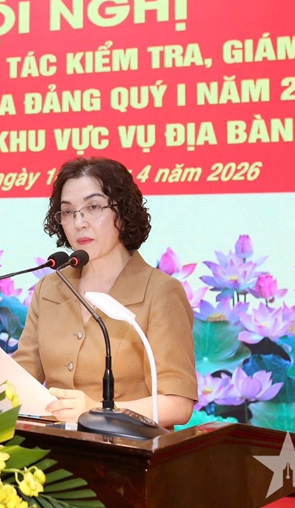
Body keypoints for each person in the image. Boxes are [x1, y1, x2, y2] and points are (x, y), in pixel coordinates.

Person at [13, 157, 197, 427]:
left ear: (122, 212)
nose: (79, 222)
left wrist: (98, 411)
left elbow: (177, 404)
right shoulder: (50, 288)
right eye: (68, 211)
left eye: (93, 207)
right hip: (52, 447)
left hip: (126, 448)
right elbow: (23, 378)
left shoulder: (161, 291)